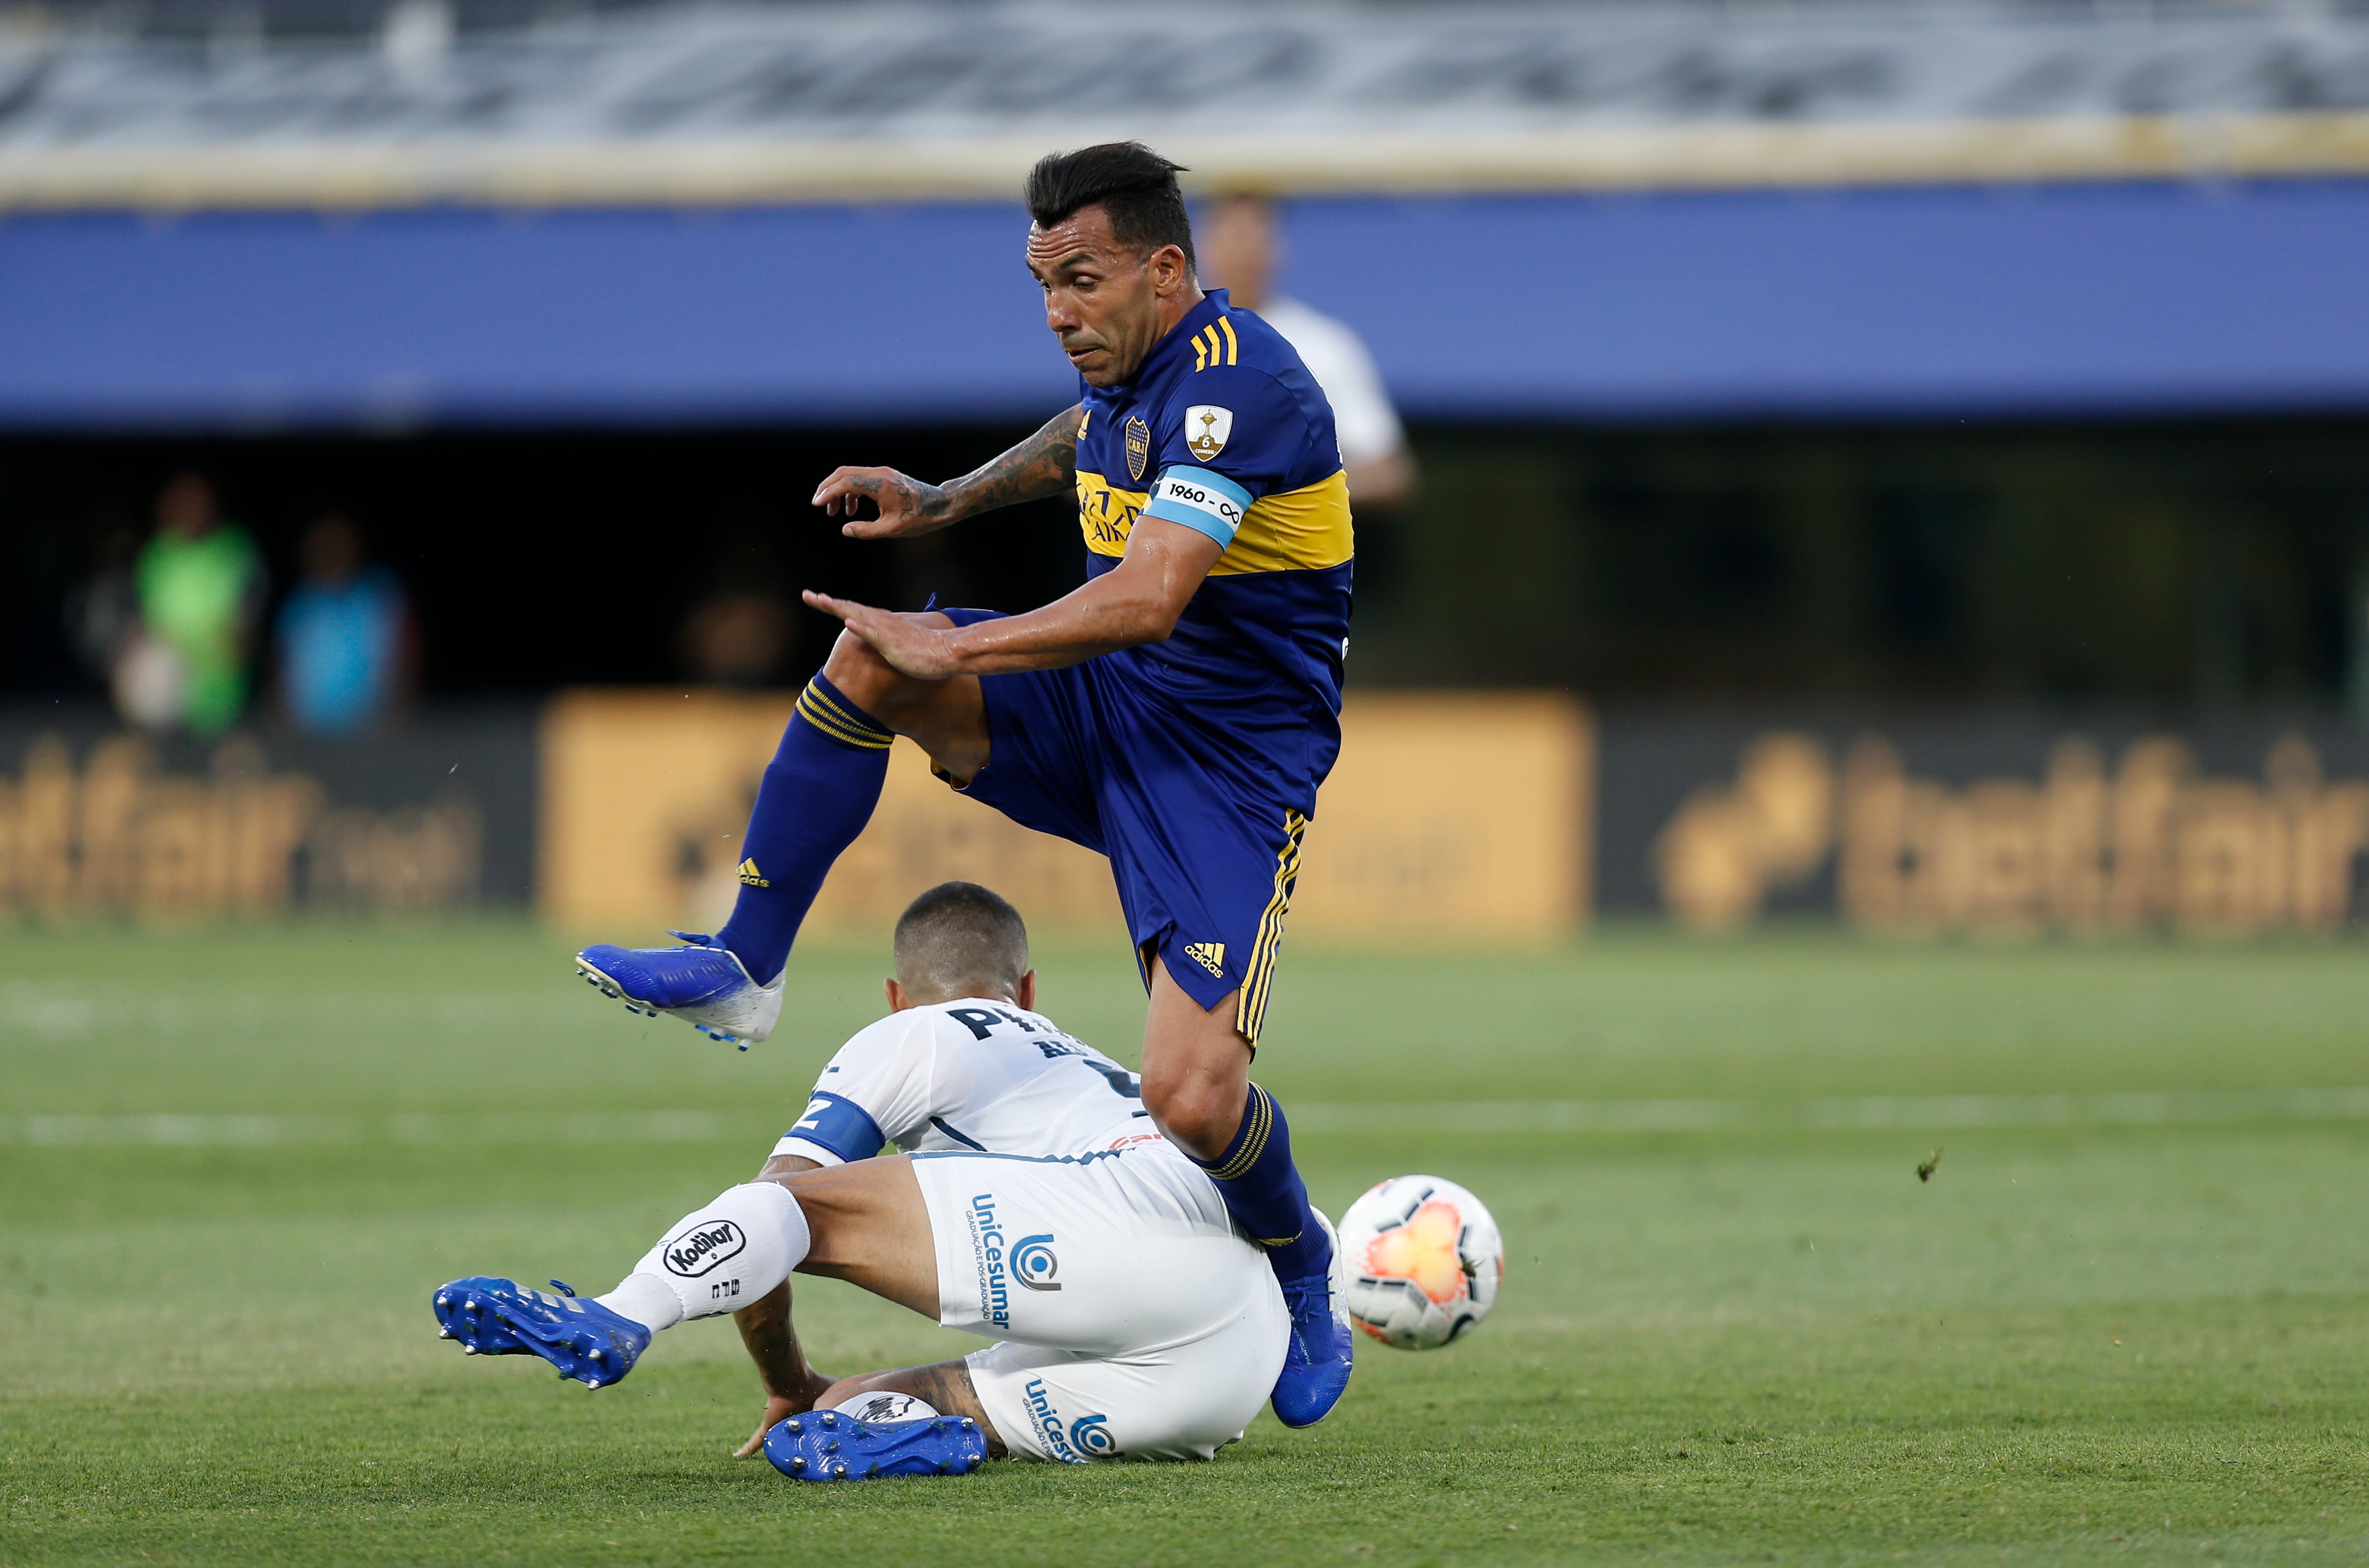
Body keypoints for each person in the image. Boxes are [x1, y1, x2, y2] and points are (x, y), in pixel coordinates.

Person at [573, 143, 1356, 1427]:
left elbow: (1150, 596)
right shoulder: (1125, 371)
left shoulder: (1244, 391)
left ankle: (1304, 1267)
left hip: (1222, 764)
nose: (1058, 310)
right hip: (1104, 705)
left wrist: (963, 640)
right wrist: (943, 501)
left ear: (1166, 270)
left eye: (1083, 279)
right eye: (1043, 280)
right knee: (865, 661)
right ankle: (747, 968)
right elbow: (1080, 445)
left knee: (1190, 1097)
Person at [449, 883, 1295, 1476]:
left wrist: (783, 1380)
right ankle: (918, 1434)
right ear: (1029, 991)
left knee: (783, 1208)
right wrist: (813, 1396)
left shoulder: (915, 1033)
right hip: (1228, 1367)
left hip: (1116, 1249)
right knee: (843, 1412)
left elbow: (772, 1217)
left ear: (896, 995)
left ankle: (618, 1313)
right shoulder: (1086, 1063)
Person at [1197, 192, 1417, 508]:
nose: (1244, 251)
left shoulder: (1324, 345)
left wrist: (1287, 491)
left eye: (1257, 236)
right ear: (1202, 246)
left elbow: (1388, 473)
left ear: (1278, 249)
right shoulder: (1163, 340)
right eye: (1233, 236)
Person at [130, 473, 266, 736]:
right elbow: (144, 628)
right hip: (167, 704)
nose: (189, 510)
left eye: (196, 502)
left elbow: (246, 633)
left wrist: (213, 647)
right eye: (180, 503)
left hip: (221, 698)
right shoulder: (156, 556)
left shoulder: (234, 549)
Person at [276, 513, 414, 735]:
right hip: (311, 732)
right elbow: (282, 666)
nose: (330, 554)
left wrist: (396, 715)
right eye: (322, 548)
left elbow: (405, 655)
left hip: (369, 728)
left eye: (336, 546)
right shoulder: (300, 602)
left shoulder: (378, 594)